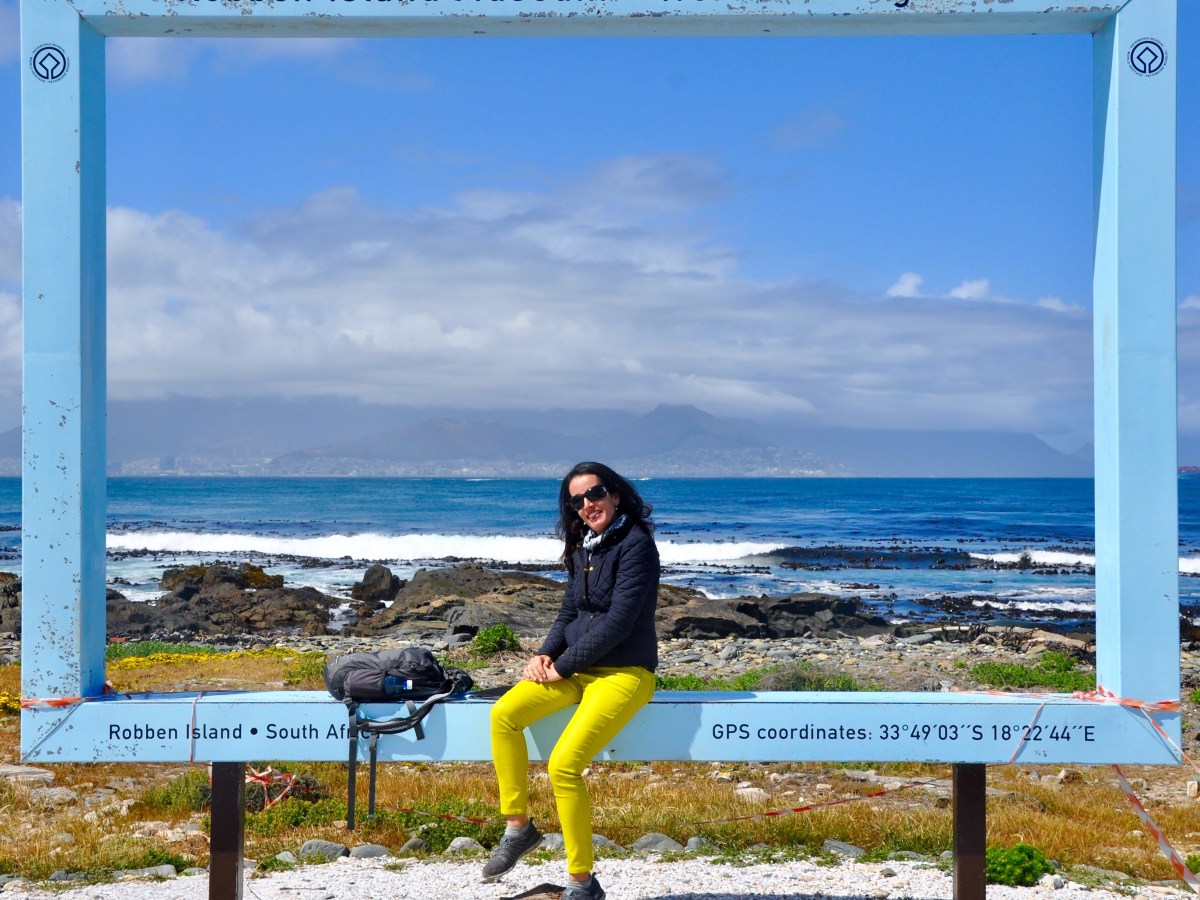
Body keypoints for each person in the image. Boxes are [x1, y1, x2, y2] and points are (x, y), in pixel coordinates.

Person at [483, 461, 660, 900]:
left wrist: (562, 666)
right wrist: (546, 652)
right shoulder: (584, 546)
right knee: (504, 713)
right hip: (576, 668)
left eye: (595, 494)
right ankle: (518, 828)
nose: (587, 505)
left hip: (624, 672)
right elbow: (570, 614)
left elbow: (619, 623)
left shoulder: (636, 545)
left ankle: (582, 882)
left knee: (563, 765)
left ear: (616, 495)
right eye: (577, 500)